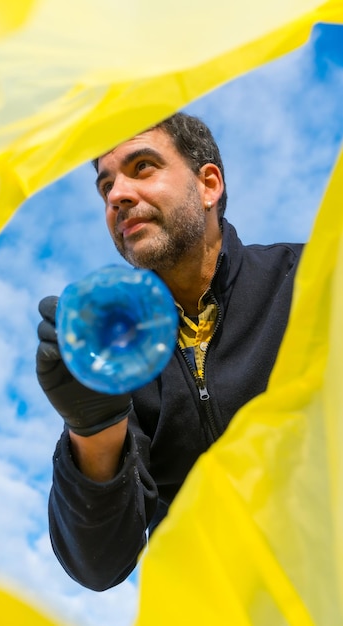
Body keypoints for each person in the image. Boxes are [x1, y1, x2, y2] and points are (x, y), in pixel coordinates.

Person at [36, 112, 304, 591]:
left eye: (142, 167)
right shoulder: (114, 360)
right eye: (106, 187)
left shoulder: (310, 281)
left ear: (208, 185)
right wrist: (94, 430)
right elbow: (99, 566)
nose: (118, 194)